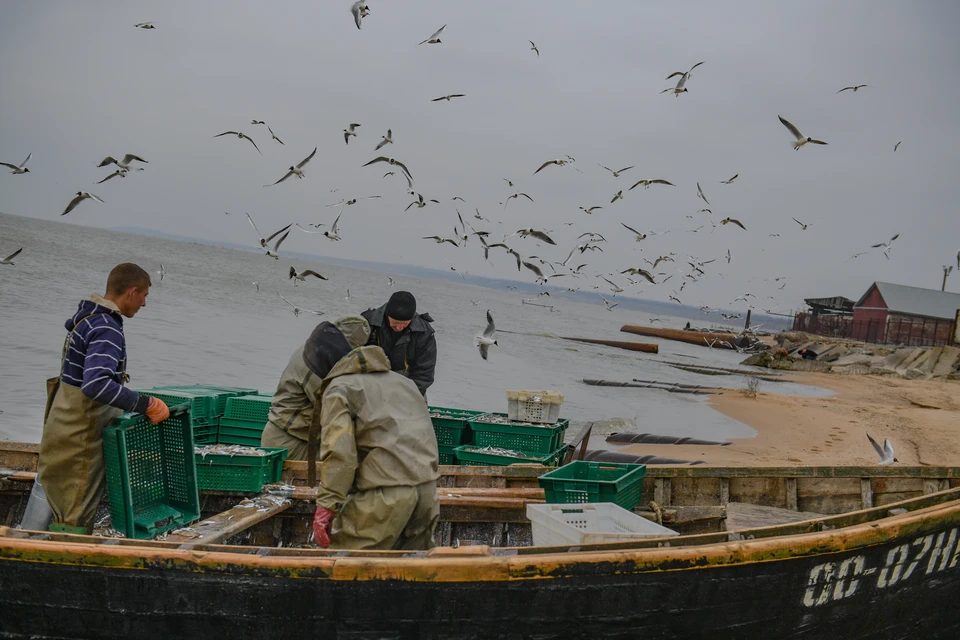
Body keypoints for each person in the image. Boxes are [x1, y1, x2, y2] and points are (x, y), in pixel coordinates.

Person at [35, 263, 170, 534]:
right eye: (144, 296)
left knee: (63, 505)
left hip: (61, 430)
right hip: (79, 437)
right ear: (132, 292)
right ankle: (65, 565)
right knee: (74, 513)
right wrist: (146, 404)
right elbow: (96, 386)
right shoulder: (107, 328)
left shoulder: (86, 320)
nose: (144, 304)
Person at [312, 334, 440, 551]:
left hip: (384, 498)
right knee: (409, 571)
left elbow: (340, 452)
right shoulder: (406, 383)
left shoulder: (340, 388)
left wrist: (327, 505)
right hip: (427, 494)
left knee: (346, 566)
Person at [261, 315, 370, 460]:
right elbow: (334, 408)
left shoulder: (314, 348)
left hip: (301, 438)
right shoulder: (316, 363)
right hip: (287, 442)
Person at [361, 291, 436, 396]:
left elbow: (424, 374)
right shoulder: (367, 323)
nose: (399, 328)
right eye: (395, 323)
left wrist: (403, 397)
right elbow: (350, 358)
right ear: (387, 315)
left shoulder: (424, 333)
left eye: (405, 324)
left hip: (407, 386)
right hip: (369, 381)